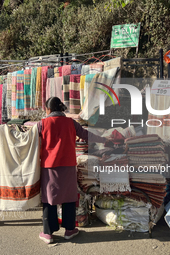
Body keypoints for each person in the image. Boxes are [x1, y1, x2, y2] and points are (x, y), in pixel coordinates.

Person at [38, 97, 107, 244]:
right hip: (68, 165)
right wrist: (105, 140)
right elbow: (87, 135)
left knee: (49, 198)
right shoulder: (71, 123)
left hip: (49, 166)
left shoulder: (42, 124)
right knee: (69, 197)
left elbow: (29, 141)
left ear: (48, 110)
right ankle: (69, 230)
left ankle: (48, 233)